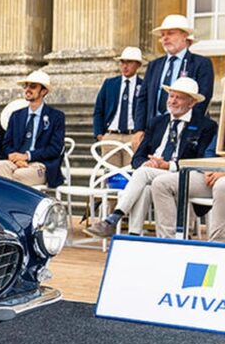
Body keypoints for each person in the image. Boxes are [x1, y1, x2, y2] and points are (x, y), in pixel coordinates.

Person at [86, 77, 216, 238]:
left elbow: (201, 160)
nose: (173, 101)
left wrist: (168, 165)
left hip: (181, 174)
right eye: (171, 96)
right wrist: (149, 162)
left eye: (179, 97)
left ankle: (114, 218)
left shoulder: (206, 126)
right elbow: (137, 157)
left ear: (192, 103)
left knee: (143, 174)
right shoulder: (157, 122)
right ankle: (133, 234)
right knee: (146, 184)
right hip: (154, 172)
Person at [134, 15, 213, 145]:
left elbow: (202, 99)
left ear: (184, 35)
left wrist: (186, 128)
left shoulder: (201, 63)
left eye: (170, 33)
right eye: (163, 34)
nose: (165, 38)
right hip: (153, 132)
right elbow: (143, 99)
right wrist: (139, 129)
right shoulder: (154, 65)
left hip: (186, 132)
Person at [0, 70, 66, 188]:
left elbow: (55, 148)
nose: (28, 89)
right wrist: (15, 158)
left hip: (41, 165)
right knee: (1, 166)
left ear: (44, 91)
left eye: (33, 86)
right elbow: (6, 144)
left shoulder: (56, 117)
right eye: (26, 86)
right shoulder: (16, 115)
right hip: (16, 162)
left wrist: (27, 156)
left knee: (17, 175)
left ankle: (9, 204)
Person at [92, 46, 144, 168]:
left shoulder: (144, 85)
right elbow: (99, 110)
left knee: (130, 174)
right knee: (110, 177)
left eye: (129, 62)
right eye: (122, 62)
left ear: (138, 65)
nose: (125, 66)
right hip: (111, 135)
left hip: (133, 136)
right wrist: (100, 134)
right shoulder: (110, 84)